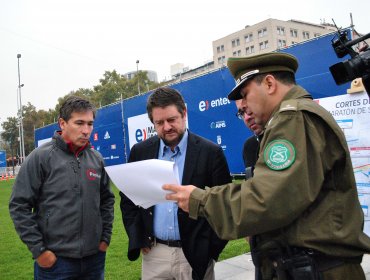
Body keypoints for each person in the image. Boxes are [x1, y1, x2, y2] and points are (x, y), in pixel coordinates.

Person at [164, 52, 370, 280]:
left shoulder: (293, 119)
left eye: (245, 94)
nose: (245, 105)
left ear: (270, 83)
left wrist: (199, 199)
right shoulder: (292, 118)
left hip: (318, 269)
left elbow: (268, 199)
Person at [120, 87, 231, 280]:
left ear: (184, 114)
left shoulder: (210, 153)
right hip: (154, 255)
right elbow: (128, 199)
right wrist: (138, 237)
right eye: (159, 122)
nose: (167, 127)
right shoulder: (140, 152)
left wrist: (210, 249)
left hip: (195, 256)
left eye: (171, 120)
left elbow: (225, 205)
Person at [9, 96, 115, 280]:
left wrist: (105, 239)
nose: (86, 130)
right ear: (62, 123)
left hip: (94, 259)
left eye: (90, 124)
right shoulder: (41, 157)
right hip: (56, 263)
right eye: (79, 123)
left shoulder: (96, 159)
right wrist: (40, 251)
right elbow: (19, 205)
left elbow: (107, 200)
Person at [235, 99, 263, 176]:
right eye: (241, 113)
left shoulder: (289, 135)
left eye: (250, 109)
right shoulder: (249, 146)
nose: (247, 117)